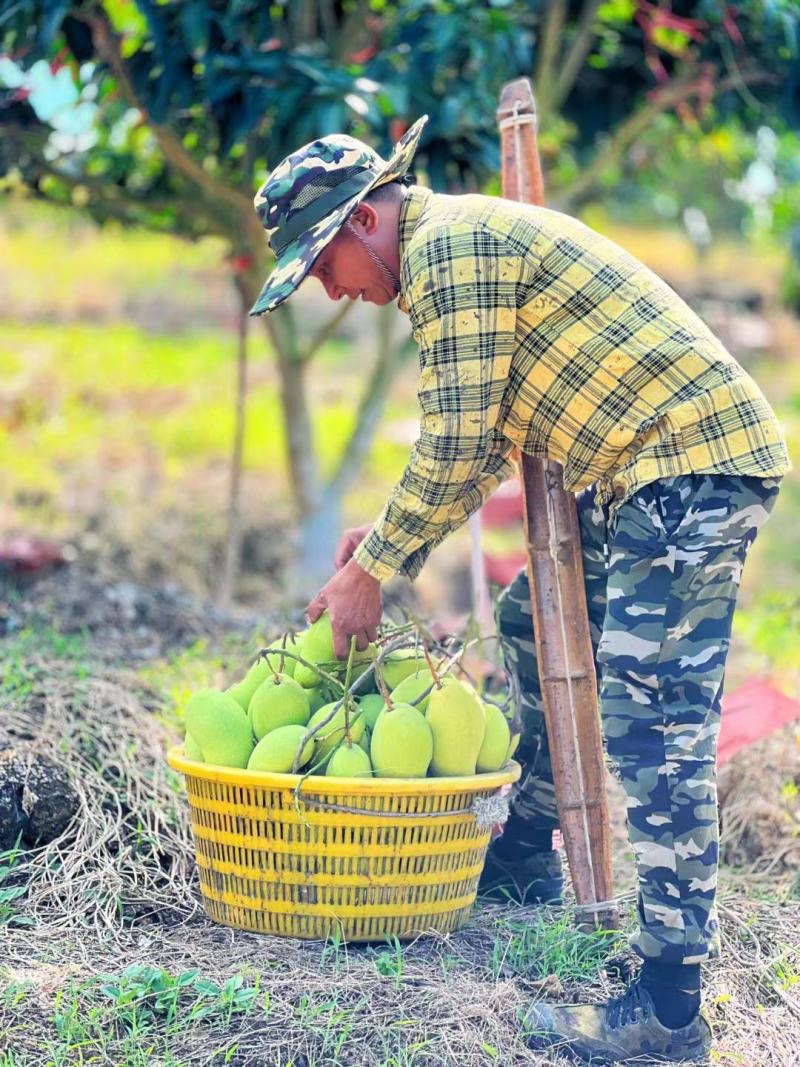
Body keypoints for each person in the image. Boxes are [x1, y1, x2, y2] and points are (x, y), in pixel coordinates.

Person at [248, 116, 789, 1064]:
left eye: (324, 263)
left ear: (366, 221)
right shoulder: (445, 257)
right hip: (637, 469)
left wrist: (373, 569)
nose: (332, 290)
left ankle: (668, 1006)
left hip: (686, 463)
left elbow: (457, 443)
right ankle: (526, 850)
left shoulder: (450, 248)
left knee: (651, 721)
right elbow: (485, 434)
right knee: (532, 626)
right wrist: (374, 546)